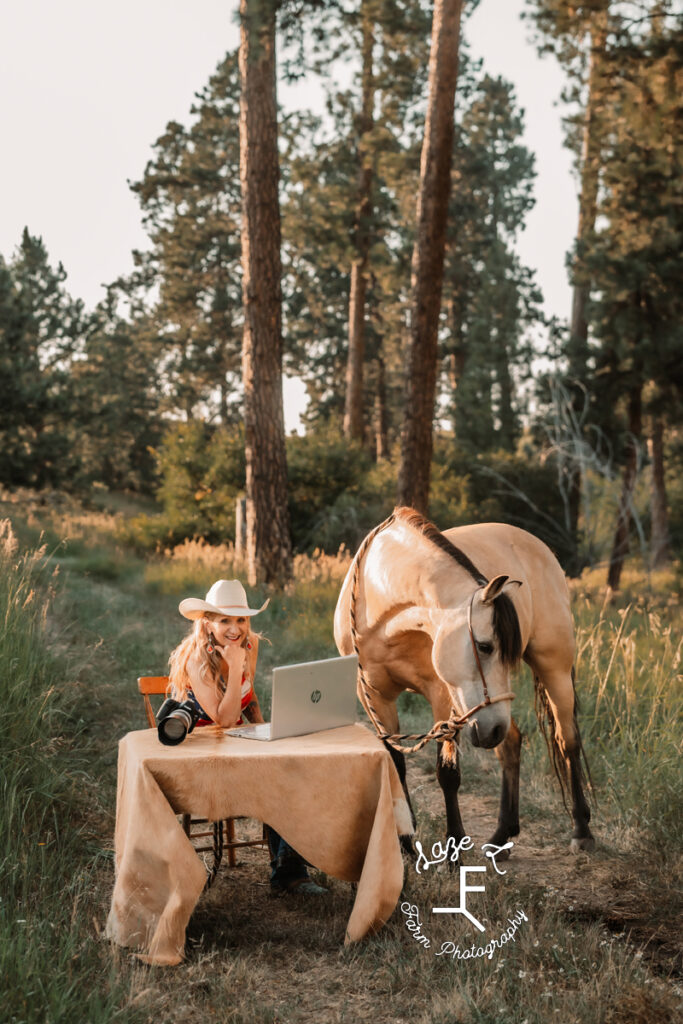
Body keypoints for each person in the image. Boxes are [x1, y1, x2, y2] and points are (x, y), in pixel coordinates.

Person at [168, 578, 327, 896]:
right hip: (203, 757)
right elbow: (225, 719)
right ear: (208, 622)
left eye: (240, 619)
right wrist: (235, 664)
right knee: (277, 776)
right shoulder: (197, 659)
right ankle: (288, 871)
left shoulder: (248, 644)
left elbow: (247, 696)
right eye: (224, 619)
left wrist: (266, 729)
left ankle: (291, 861)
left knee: (294, 763)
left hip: (237, 743)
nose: (235, 628)